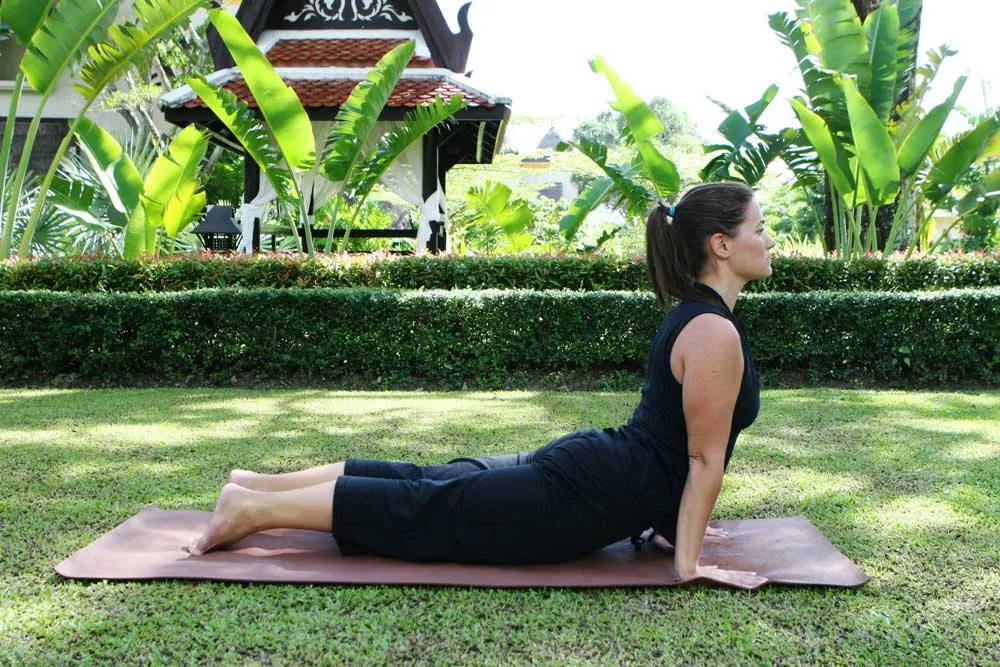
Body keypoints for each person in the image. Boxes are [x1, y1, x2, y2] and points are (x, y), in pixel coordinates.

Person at [188, 182, 775, 588]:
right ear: (721, 244)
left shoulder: (701, 317)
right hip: (589, 494)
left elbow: (677, 448)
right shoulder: (712, 329)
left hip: (598, 474)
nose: (770, 239)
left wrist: (671, 528)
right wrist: (689, 566)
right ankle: (255, 508)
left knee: (438, 482)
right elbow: (701, 459)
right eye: (761, 228)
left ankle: (256, 486)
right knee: (435, 509)